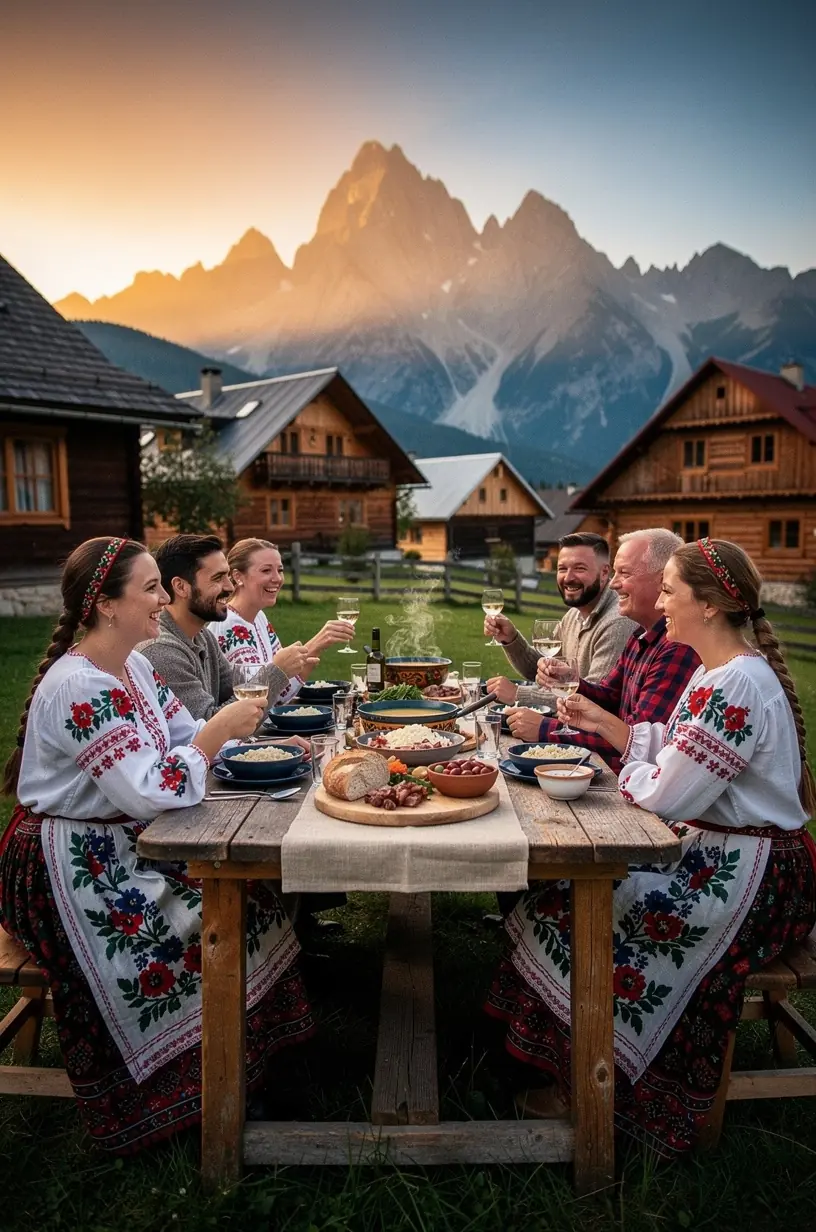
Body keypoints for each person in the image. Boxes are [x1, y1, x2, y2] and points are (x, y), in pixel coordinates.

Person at [487, 537, 816, 1155]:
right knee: (561, 900)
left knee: (585, 917)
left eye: (669, 591)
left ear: (710, 605)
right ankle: (583, 1067)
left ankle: (605, 1087)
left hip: (753, 876)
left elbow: (668, 793)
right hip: (725, 853)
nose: (660, 604)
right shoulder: (722, 673)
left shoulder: (734, 684)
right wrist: (608, 729)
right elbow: (672, 749)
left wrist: (629, 769)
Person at [0, 536, 314, 1153]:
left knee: (252, 904)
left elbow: (185, 732)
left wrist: (256, 743)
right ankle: (178, 1093)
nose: (161, 601)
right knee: (198, 931)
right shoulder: (79, 687)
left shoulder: (136, 667)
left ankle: (242, 1065)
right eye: (149, 589)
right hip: (65, 864)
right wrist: (217, 736)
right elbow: (149, 787)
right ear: (106, 605)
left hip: (125, 840)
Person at [505, 529, 700, 770]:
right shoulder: (641, 635)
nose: (614, 583)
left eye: (624, 573)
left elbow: (635, 743)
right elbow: (609, 697)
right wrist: (569, 680)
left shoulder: (677, 648)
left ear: (663, 581)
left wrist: (546, 729)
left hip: (629, 783)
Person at [139, 534, 318, 721]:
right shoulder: (162, 651)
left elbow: (241, 694)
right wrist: (277, 672)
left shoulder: (204, 637)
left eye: (227, 575)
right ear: (181, 587)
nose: (230, 587)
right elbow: (208, 725)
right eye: (217, 578)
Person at [485, 532, 636, 713]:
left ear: (604, 573)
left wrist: (518, 694)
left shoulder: (617, 623)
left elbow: (593, 699)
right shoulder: (573, 614)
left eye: (579, 568)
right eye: (562, 569)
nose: (568, 578)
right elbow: (545, 672)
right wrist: (511, 639)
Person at [210, 538, 355, 697]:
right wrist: (315, 644)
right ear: (238, 577)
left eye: (279, 570)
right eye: (266, 570)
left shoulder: (259, 618)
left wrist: (313, 652)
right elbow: (255, 695)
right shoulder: (230, 627)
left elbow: (281, 690)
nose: (277, 578)